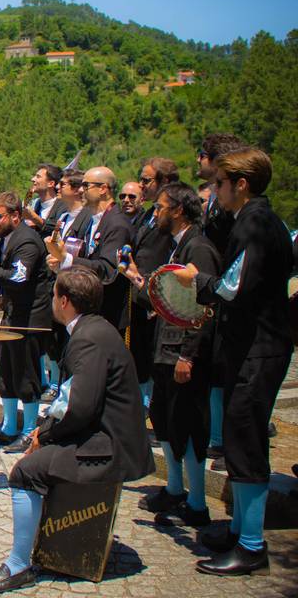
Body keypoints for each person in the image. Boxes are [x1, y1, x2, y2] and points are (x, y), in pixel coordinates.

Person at [0, 267, 154, 593]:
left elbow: (79, 407)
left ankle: (19, 565)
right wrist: (45, 430)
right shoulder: (94, 329)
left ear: (65, 301)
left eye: (54, 294)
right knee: (40, 454)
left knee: (24, 471)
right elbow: (73, 399)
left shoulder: (86, 340)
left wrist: (45, 436)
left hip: (110, 447)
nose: (51, 300)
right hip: (105, 434)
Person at [173, 147, 293, 576]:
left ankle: (251, 544)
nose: (215, 191)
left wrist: (195, 279)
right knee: (243, 436)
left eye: (220, 183)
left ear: (240, 184)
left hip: (259, 347)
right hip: (256, 344)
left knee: (246, 439)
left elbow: (230, 287)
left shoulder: (254, 223)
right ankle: (240, 527)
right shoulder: (263, 219)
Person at [120, 182, 220, 528]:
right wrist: (135, 278)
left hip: (181, 353)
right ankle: (175, 489)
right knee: (165, 419)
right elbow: (165, 300)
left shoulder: (199, 249)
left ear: (178, 210)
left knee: (189, 425)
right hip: (165, 348)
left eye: (161, 207)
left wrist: (188, 356)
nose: (156, 213)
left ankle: (196, 503)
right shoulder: (179, 247)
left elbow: (204, 309)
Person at [0, 192, 52, 452]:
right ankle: (9, 427)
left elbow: (18, 277)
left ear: (16, 216)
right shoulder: (6, 239)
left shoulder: (28, 240)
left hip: (30, 318)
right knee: (4, 372)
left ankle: (29, 432)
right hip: (12, 315)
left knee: (26, 374)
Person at [195, 133, 245, 471]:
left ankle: (231, 444)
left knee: (231, 376)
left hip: (227, 296)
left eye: (201, 155)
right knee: (215, 372)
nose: (197, 161)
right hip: (213, 295)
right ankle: (218, 438)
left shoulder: (249, 216)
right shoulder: (214, 198)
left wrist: (199, 280)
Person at [46, 166, 133, 336]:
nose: (80, 190)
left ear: (103, 189)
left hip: (109, 316)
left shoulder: (117, 224)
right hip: (89, 314)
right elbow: (86, 258)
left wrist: (66, 258)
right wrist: (60, 264)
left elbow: (108, 270)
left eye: (86, 186)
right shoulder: (92, 221)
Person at [129, 158, 180, 410]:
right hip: (138, 294)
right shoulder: (149, 213)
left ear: (166, 182)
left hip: (156, 297)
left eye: (146, 180)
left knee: (151, 358)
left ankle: (149, 406)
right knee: (138, 355)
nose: (141, 185)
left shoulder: (171, 217)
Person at [40, 172, 93, 404]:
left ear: (78, 188)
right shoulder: (63, 215)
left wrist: (64, 259)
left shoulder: (87, 216)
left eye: (63, 185)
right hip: (58, 281)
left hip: (76, 286)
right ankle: (56, 384)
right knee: (54, 339)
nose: (59, 188)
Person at [22, 164, 67, 238]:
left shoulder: (63, 206)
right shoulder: (35, 204)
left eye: (38, 177)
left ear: (51, 183)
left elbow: (57, 230)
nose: (33, 179)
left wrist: (33, 217)